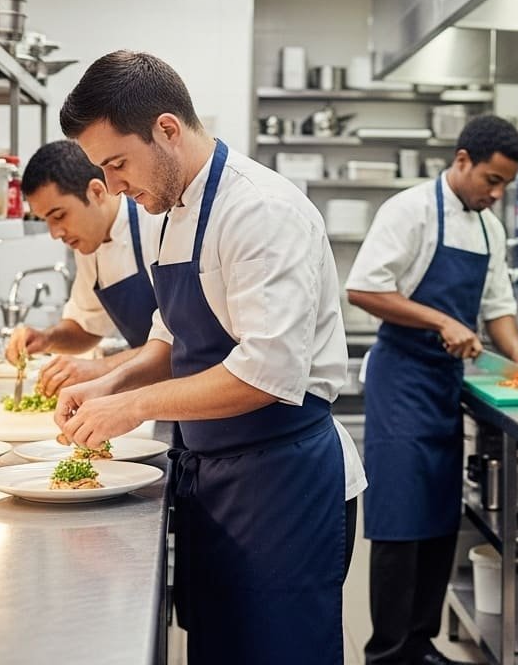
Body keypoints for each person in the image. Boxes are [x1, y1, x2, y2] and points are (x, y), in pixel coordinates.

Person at [52, 50, 364, 664]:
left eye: (118, 164)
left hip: (282, 484)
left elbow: (265, 375)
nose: (113, 186)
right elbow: (173, 337)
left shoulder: (259, 211)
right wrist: (107, 385)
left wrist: (132, 405)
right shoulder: (175, 209)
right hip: (216, 478)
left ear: (166, 130)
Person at [346, 115, 518, 665]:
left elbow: (495, 306)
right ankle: (387, 652)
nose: (497, 192)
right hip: (401, 381)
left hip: (443, 386)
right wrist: (439, 321)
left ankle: (421, 642)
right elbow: (363, 288)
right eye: (490, 179)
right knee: (398, 523)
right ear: (462, 161)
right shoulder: (409, 210)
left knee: (437, 519)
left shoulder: (487, 227)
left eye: (505, 184)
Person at [3, 140, 163, 396]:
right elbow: (87, 327)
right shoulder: (90, 244)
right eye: (46, 221)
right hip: (151, 388)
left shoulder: (156, 226)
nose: (55, 233)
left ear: (97, 192)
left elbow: (181, 341)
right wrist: (46, 339)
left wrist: (101, 368)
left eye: (59, 216)